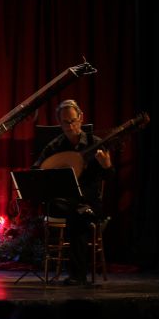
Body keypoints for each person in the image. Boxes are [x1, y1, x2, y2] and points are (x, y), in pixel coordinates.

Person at [33, 99, 113, 285]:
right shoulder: (54, 147)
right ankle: (78, 275)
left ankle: (77, 275)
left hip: (89, 202)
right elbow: (37, 171)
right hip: (62, 203)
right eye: (65, 122)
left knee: (78, 215)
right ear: (59, 123)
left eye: (73, 121)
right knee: (76, 213)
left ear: (81, 118)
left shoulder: (95, 144)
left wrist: (107, 166)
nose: (70, 126)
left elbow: (109, 177)